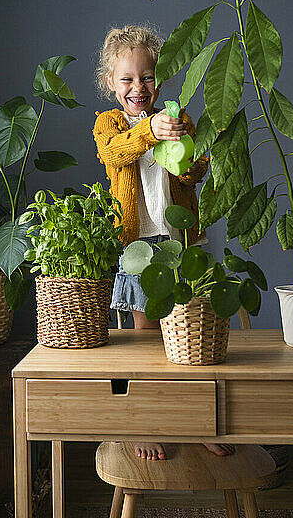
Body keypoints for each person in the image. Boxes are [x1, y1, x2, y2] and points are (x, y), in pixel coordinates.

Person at [93, 24, 234, 460]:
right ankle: (145, 424)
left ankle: (194, 425)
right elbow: (114, 153)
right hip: (138, 247)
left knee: (189, 341)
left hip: (180, 241)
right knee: (146, 343)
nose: (139, 87)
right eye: (128, 79)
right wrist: (151, 131)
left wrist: (185, 146)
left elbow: (197, 172)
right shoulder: (109, 124)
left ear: (161, 78)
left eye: (148, 77)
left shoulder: (179, 116)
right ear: (110, 84)